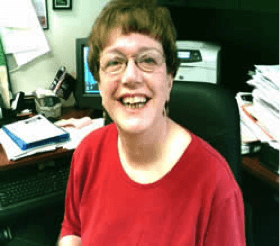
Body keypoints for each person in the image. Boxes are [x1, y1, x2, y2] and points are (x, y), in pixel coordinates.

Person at [58, 0, 246, 245]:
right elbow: (73, 229)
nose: (131, 77)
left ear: (169, 79)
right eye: (114, 62)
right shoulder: (88, 153)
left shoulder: (217, 187)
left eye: (147, 60)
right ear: (99, 84)